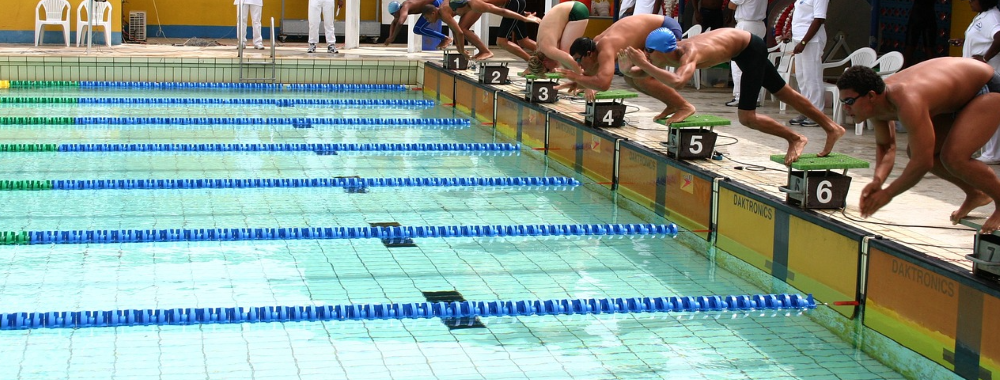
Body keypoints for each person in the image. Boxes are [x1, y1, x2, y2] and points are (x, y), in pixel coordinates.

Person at [620, 27, 846, 164]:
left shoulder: (689, 54)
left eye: (649, 53)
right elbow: (645, 70)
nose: (647, 57)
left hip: (750, 50)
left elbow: (678, 82)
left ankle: (796, 139)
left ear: (663, 51)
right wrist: (627, 69)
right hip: (743, 47)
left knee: (747, 117)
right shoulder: (669, 52)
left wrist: (641, 65)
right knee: (787, 94)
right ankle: (832, 128)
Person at [836, 59, 1000, 233]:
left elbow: (922, 162)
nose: (846, 108)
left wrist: (888, 194)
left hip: (985, 87)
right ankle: (976, 194)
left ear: (870, 95)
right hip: (956, 96)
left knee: (954, 157)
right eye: (842, 102)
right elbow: (886, 147)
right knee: (925, 152)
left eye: (849, 102)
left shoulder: (908, 100)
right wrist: (878, 181)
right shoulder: (877, 105)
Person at [558, 15, 695, 124]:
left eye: (578, 60)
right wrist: (578, 82)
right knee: (630, 77)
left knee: (642, 79)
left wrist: (577, 78)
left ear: (588, 53)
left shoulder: (606, 48)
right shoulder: (595, 46)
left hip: (663, 30)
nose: (578, 65)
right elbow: (592, 73)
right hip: (650, 33)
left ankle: (684, 106)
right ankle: (672, 104)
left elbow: (603, 84)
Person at [950, 0, 1000, 164]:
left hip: (989, 74)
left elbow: (999, 38)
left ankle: (993, 154)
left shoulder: (992, 16)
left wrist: (984, 58)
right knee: (983, 109)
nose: (970, 2)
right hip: (976, 74)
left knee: (990, 110)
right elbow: (983, 39)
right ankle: (988, 151)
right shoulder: (982, 16)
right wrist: (964, 42)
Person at [438, 0, 541, 61]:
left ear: (461, 7)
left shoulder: (476, 5)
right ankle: (548, 59)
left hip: (514, 4)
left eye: (455, 11)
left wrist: (524, 18)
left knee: (502, 42)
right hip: (514, 5)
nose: (455, 13)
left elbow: (502, 12)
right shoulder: (466, 4)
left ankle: (533, 64)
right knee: (523, 41)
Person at [789, 0, 828, 127]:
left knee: (812, 77)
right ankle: (805, 110)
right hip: (798, 38)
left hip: (812, 41)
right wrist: (790, 33)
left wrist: (804, 43)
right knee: (801, 77)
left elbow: (819, 20)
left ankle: (816, 114)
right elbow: (799, 16)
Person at [525, 1, 590, 75]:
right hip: (571, 8)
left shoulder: (547, 49)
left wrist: (581, 78)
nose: (552, 70)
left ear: (545, 62)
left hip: (575, 11)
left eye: (548, 70)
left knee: (566, 54)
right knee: (565, 59)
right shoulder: (540, 49)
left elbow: (569, 59)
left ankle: (586, 75)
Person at [725, 0, 767, 107]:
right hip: (759, 24)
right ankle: (754, 97)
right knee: (754, 63)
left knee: (738, 61)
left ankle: (740, 96)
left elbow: (731, 5)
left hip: (746, 25)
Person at [384, 0, 453, 49]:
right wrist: (390, 37)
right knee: (418, 29)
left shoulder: (405, 7)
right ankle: (445, 38)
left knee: (418, 29)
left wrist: (393, 37)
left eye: (394, 14)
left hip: (435, 4)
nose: (394, 16)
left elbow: (400, 23)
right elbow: (394, 23)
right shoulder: (400, 10)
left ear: (397, 10)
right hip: (432, 5)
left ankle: (446, 38)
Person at [903, 0, 937, 67]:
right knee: (929, 51)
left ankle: (904, 73)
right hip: (926, 15)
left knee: (909, 50)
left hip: (918, 15)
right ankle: (931, 73)